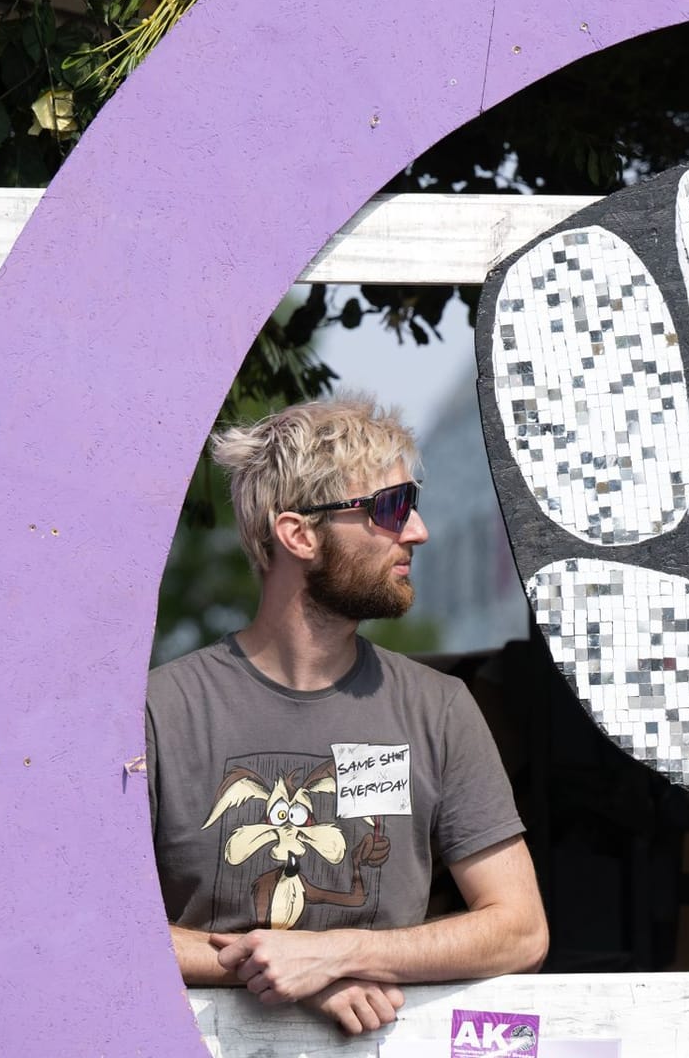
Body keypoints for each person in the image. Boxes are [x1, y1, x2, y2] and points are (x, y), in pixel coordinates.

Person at [146, 396, 548, 1035]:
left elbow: (520, 929)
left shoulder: (437, 708)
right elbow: (94, 924)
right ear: (299, 534)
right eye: (390, 509)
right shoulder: (160, 711)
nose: (416, 531)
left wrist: (342, 953)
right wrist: (291, 975)